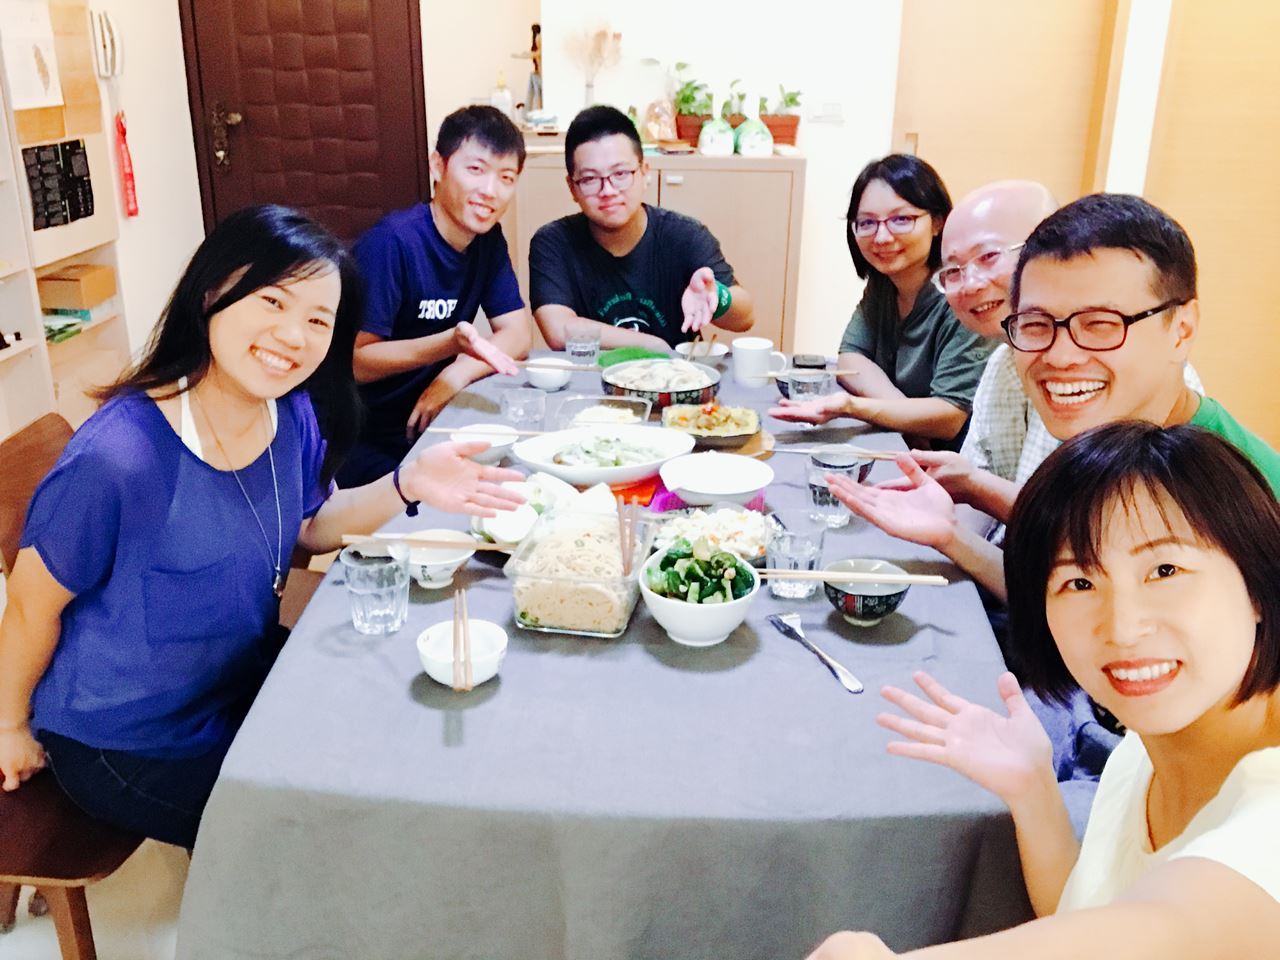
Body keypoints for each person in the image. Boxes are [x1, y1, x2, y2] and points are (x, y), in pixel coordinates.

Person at [0, 205, 524, 849]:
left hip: (234, 680)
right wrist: (8, 727)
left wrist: (406, 484)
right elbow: (29, 608)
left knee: (396, 729)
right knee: (314, 834)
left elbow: (312, 527)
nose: (293, 335)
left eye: (318, 320)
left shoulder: (290, 413)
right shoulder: (119, 459)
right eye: (272, 301)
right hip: (128, 737)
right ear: (211, 293)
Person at [805, 422, 1280, 958]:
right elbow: (1085, 913)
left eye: (1164, 570)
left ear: (1258, 583)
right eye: (1079, 582)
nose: (1122, 628)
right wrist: (1032, 788)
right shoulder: (1156, 741)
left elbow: (1176, 927)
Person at [829, 194, 1280, 603]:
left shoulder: (1222, 487)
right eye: (1036, 324)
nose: (1061, 357)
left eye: (1101, 324)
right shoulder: (1106, 433)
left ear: (1181, 330)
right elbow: (1065, 605)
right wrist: (948, 533)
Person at [888, 181, 1203, 528]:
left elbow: (1086, 535)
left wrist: (974, 489)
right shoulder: (1008, 361)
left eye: (989, 257)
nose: (970, 284)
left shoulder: (1154, 393)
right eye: (952, 271)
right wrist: (949, 528)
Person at [341, 105, 532, 488]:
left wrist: (455, 373)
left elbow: (518, 335)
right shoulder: (392, 243)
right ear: (438, 166)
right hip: (366, 436)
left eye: (506, 177)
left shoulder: (487, 240)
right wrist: (447, 345)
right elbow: (355, 362)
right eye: (475, 169)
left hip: (437, 420)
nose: (490, 191)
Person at [770, 154, 994, 451]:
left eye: (901, 220)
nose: (882, 237)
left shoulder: (962, 295)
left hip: (954, 464)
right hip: (908, 448)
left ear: (938, 222)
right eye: (867, 223)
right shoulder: (884, 283)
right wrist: (905, 420)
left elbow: (949, 417)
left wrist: (853, 406)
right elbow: (851, 357)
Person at [528, 104, 755, 351]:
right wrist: (653, 346)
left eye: (620, 173)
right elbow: (558, 329)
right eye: (590, 179)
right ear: (572, 188)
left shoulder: (684, 236)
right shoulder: (554, 243)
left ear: (645, 172)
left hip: (675, 375)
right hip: (593, 375)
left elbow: (745, 319)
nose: (608, 190)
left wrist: (717, 296)